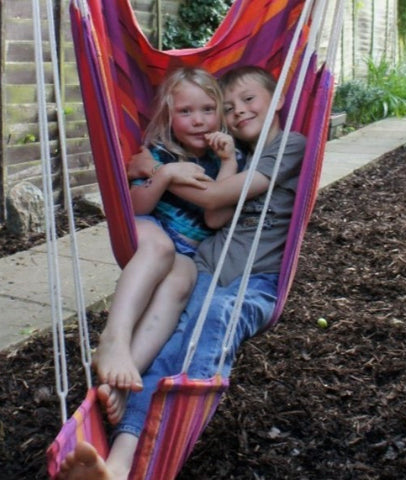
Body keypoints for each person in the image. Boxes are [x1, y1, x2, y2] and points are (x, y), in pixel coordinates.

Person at [57, 66, 306, 480]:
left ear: (278, 99)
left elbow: (215, 202)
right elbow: (200, 213)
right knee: (169, 346)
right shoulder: (216, 153)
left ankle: (148, 461)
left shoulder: (285, 146)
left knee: (207, 325)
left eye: (247, 100)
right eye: (229, 106)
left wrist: (164, 173)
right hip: (205, 270)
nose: (238, 111)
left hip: (252, 282)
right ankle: (119, 458)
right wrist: (164, 169)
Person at [93, 67, 241, 424]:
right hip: (149, 229)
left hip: (188, 250)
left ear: (221, 112)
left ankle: (124, 376)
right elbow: (137, 206)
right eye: (185, 112)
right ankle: (114, 339)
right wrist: (166, 173)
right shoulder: (157, 152)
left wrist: (228, 161)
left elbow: (215, 218)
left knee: (181, 283)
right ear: (168, 116)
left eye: (208, 109)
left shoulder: (224, 158)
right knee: (159, 249)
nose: (198, 120)